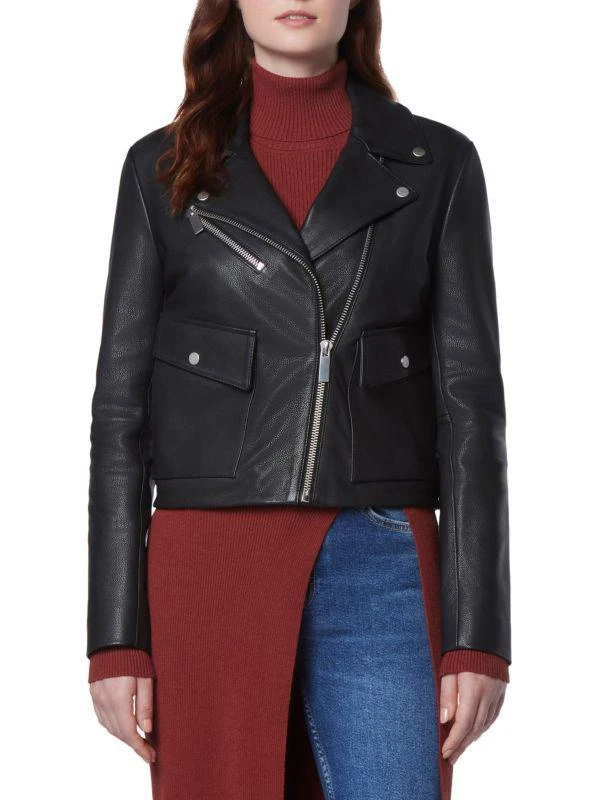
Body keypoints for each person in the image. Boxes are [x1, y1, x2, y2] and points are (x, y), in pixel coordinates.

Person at [87, 2, 511, 799]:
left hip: (382, 555)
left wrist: (479, 633)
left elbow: (471, 412)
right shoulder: (163, 169)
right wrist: (114, 637)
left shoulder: (438, 164)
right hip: (209, 559)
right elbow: (119, 417)